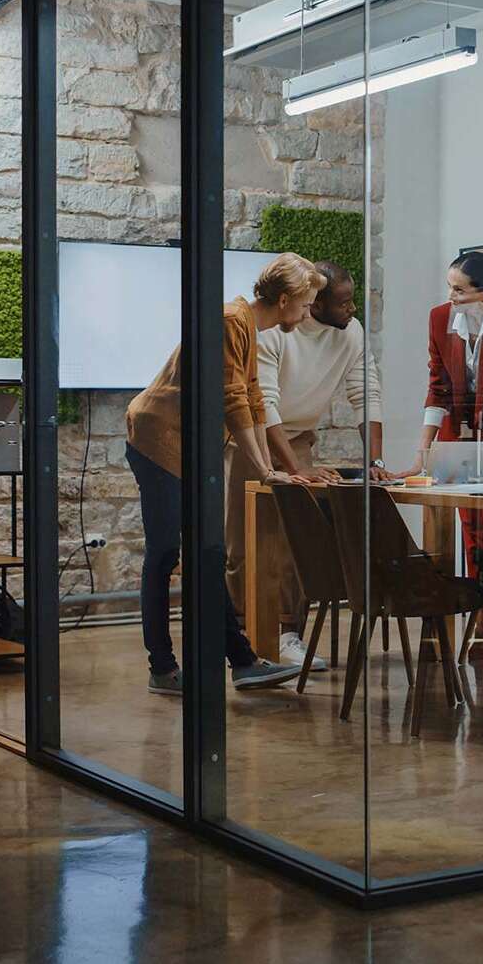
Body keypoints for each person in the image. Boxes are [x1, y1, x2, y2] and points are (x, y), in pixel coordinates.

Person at [124, 252, 323, 695]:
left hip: (185, 446)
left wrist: (271, 467)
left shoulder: (248, 326)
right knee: (164, 553)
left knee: (206, 552)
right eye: (307, 305)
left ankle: (243, 661)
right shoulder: (232, 320)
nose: (308, 313)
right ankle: (164, 668)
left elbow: (251, 397)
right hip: (158, 439)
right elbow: (233, 401)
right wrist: (265, 470)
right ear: (287, 299)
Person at [400, 251, 483, 652]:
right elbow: (437, 385)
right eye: (449, 287)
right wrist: (423, 450)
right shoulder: (440, 318)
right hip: (456, 434)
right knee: (472, 525)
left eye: (460, 289)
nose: (451, 296)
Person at [257, 260, 386, 668]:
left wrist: (374, 461)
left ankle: (285, 633)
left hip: (298, 438)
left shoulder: (351, 333)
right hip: (254, 436)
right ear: (314, 305)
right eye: (344, 303)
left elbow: (367, 393)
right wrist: (293, 467)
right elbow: (263, 404)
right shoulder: (275, 332)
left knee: (298, 538)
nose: (352, 310)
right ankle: (251, 637)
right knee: (254, 542)